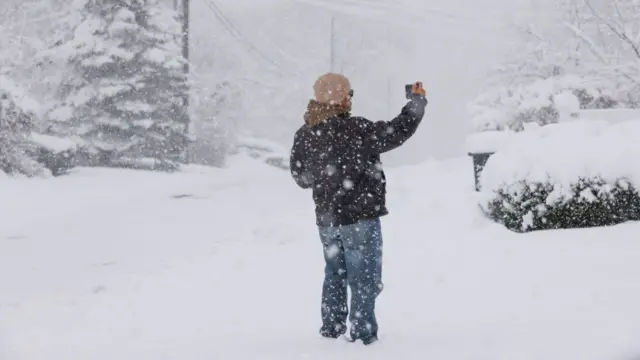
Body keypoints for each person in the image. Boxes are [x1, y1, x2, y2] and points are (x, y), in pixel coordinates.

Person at [289, 73, 428, 345]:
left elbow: (300, 178)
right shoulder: (356, 129)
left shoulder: (305, 134)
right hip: (360, 219)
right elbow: (397, 131)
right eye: (349, 94)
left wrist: (325, 175)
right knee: (364, 278)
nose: (351, 99)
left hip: (327, 222)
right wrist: (417, 102)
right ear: (340, 97)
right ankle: (363, 336)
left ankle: (332, 330)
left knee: (334, 274)